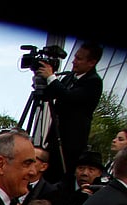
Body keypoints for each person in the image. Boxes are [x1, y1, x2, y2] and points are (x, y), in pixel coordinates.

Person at [37, 42, 103, 181]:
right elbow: (50, 95)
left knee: (59, 179)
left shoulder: (94, 82)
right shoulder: (69, 77)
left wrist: (51, 77)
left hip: (70, 144)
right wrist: (42, 81)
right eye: (75, 57)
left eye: (79, 59)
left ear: (91, 62)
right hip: (55, 138)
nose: (74, 61)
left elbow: (69, 97)